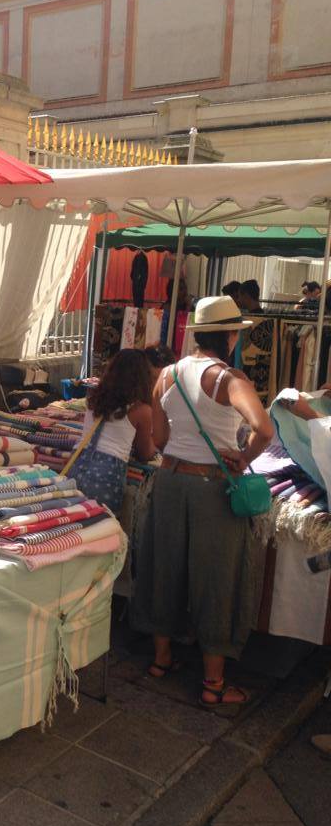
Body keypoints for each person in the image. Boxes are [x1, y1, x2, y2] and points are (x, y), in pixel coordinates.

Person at [133, 295, 274, 709]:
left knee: (164, 567)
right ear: (230, 336)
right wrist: (244, 457)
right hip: (212, 487)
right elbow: (263, 428)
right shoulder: (230, 380)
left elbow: (159, 441)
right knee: (216, 578)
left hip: (170, 481)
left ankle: (161, 660)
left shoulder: (167, 375)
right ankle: (213, 681)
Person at [71, 349, 157, 516]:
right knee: (101, 527)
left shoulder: (93, 399)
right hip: (106, 476)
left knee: (75, 525)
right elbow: (145, 453)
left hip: (78, 465)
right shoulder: (141, 410)